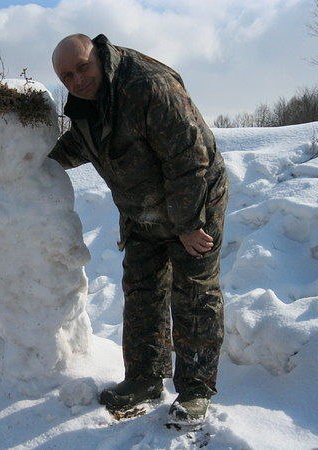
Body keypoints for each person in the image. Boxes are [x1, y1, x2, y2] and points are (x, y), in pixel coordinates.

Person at [49, 33, 229, 425]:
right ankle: (144, 379)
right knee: (142, 289)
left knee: (194, 292)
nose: (77, 80)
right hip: (142, 210)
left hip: (194, 198)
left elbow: (188, 158)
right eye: (66, 77)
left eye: (82, 67)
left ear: (98, 55)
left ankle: (195, 391)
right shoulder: (86, 106)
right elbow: (79, 147)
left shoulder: (149, 85)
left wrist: (188, 225)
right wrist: (31, 164)